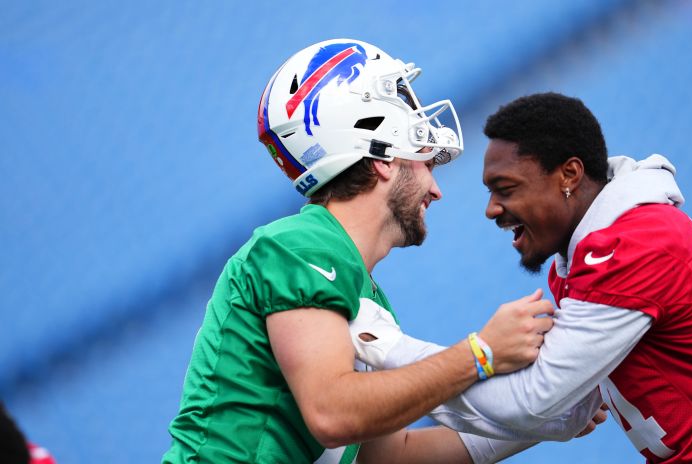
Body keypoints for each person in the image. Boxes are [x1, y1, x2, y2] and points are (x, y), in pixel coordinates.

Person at [162, 41, 603, 464]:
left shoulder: (359, 287)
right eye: (425, 160)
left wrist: (540, 419)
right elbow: (332, 412)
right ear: (383, 157)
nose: (436, 189)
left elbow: (393, 455)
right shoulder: (300, 246)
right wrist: (481, 353)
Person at [351, 92, 692, 463]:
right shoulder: (586, 254)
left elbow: (536, 401)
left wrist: (386, 348)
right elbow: (562, 408)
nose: (492, 209)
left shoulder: (631, 246)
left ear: (569, 176)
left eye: (506, 188)